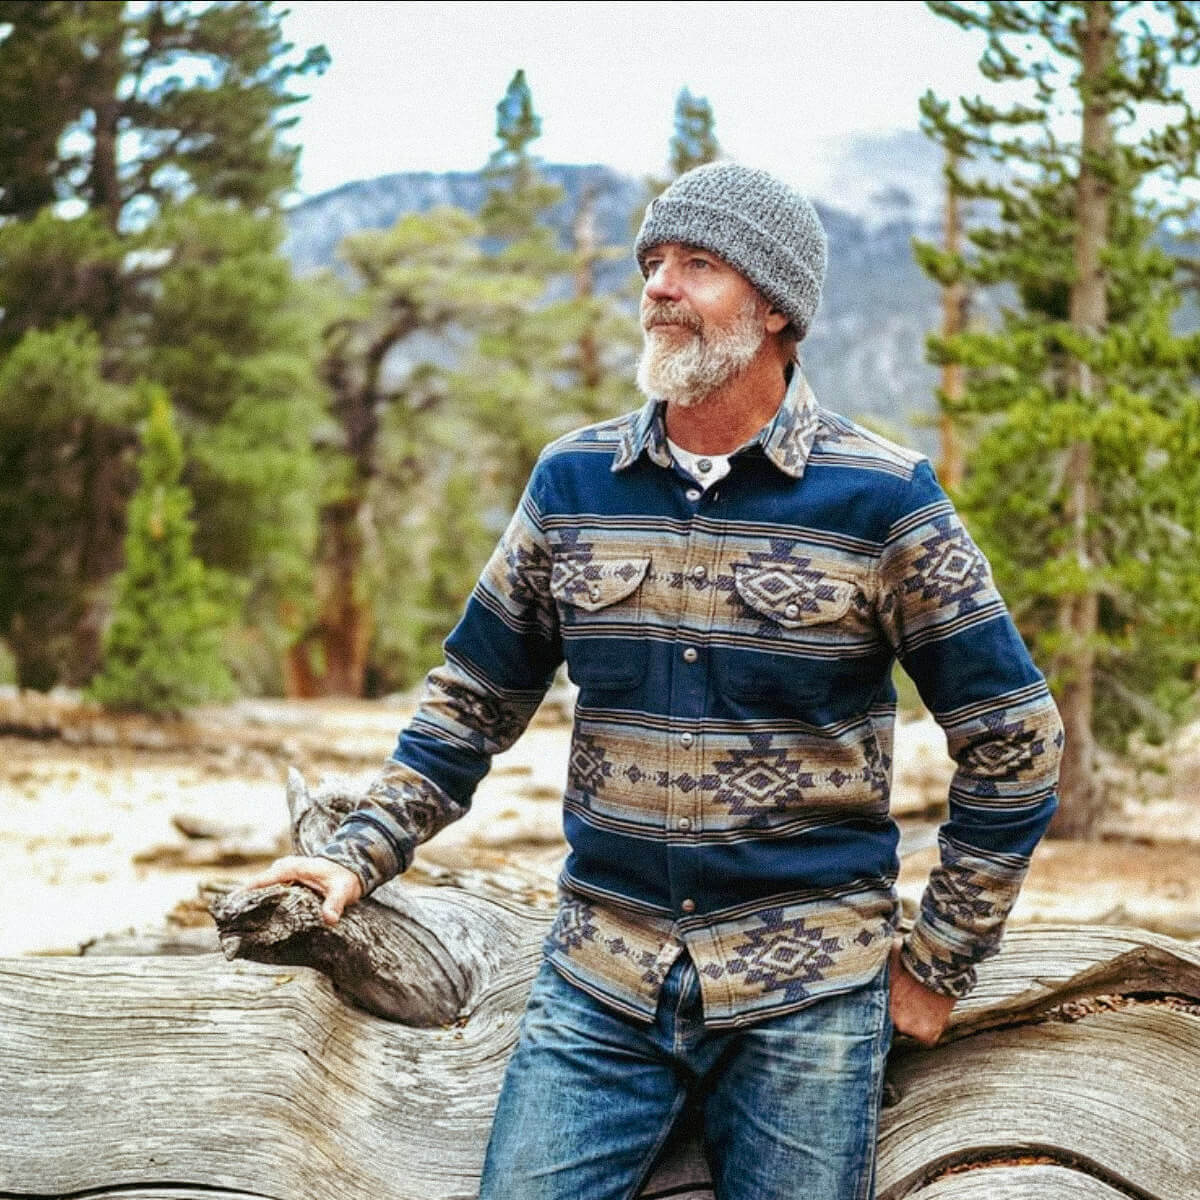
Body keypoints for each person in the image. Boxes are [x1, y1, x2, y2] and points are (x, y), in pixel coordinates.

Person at [250, 162, 1063, 1200]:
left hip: (808, 995)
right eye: (652, 264)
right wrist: (359, 852)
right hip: (602, 981)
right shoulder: (574, 483)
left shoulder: (883, 498)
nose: (659, 288)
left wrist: (939, 959)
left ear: (773, 309)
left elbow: (1016, 737)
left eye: (697, 264)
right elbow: (474, 697)